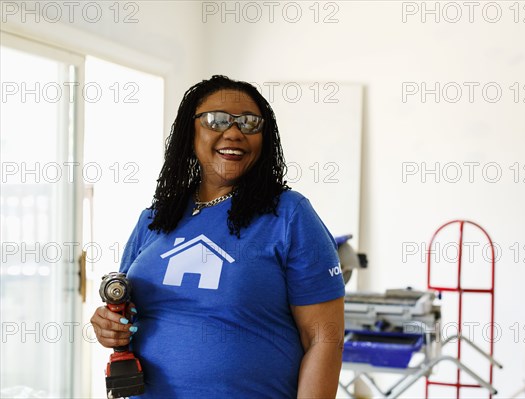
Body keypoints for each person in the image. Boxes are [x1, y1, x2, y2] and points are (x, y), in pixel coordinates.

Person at [90, 75, 346, 398]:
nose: (235, 132)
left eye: (250, 123)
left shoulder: (289, 215)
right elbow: (127, 314)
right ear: (190, 131)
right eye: (217, 120)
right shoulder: (155, 218)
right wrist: (109, 327)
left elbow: (324, 339)